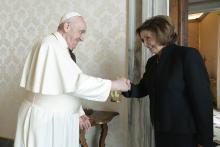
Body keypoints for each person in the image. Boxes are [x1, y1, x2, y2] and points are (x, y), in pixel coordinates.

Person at [14, 11, 130, 147]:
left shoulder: (61, 48)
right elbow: (77, 83)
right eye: (81, 32)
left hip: (60, 119)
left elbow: (66, 86)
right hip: (47, 121)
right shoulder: (50, 45)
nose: (82, 38)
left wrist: (78, 112)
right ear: (67, 27)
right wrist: (114, 85)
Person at [122, 15, 213, 147]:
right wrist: (123, 86)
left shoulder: (187, 56)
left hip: (185, 133)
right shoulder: (152, 62)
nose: (145, 44)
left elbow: (202, 101)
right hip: (161, 130)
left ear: (161, 33)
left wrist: (205, 140)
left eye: (148, 38)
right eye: (143, 40)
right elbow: (142, 89)